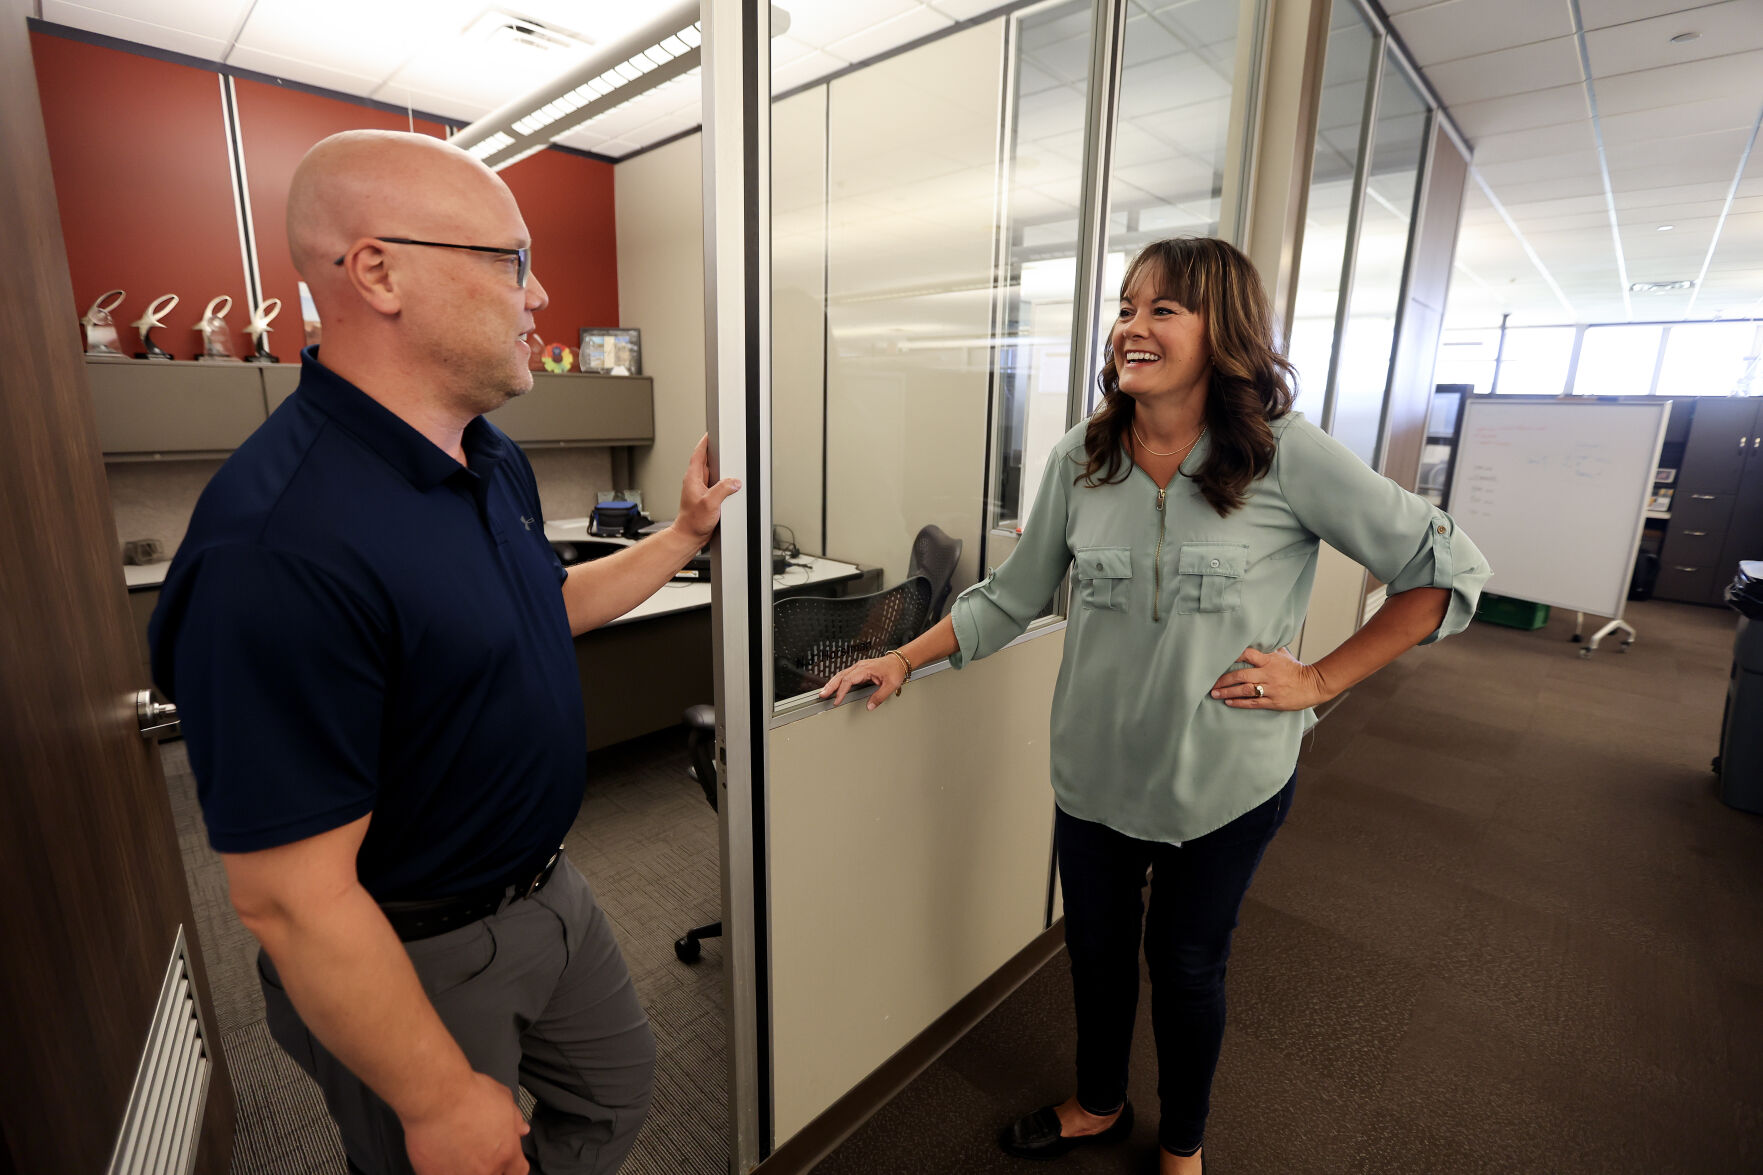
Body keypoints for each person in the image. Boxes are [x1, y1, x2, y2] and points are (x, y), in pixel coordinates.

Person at [819, 237, 1489, 1174]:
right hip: (1094, 776)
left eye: (1162, 309)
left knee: (1185, 967)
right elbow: (1009, 596)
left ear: (1225, 333)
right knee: (1094, 958)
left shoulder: (1283, 457)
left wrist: (1321, 681)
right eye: (1126, 307)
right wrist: (900, 657)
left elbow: (1442, 571)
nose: (1132, 327)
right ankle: (1097, 1101)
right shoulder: (1080, 460)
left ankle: (1182, 1144)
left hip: (1225, 782)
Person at [149, 130, 740, 1175]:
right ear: (378, 271)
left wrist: (683, 537)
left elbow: (539, 608)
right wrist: (429, 1093)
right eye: (510, 261)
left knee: (615, 1089)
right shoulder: (274, 548)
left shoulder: (484, 455)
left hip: (548, 886)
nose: (539, 294)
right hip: (411, 947)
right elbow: (287, 894)